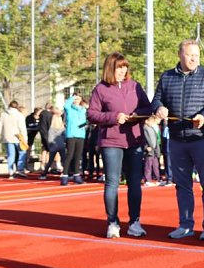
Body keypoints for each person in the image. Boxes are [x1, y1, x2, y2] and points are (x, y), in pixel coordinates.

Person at [152, 39, 204, 240]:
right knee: (182, 185)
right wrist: (158, 107)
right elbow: (156, 99)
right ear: (180, 55)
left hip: (202, 139)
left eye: (196, 55)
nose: (193, 58)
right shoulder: (167, 77)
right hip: (176, 140)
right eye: (190, 54)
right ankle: (185, 225)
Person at [87, 52, 153, 238]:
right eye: (119, 67)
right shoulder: (100, 89)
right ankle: (113, 223)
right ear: (111, 68)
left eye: (125, 67)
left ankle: (135, 222)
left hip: (134, 140)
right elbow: (92, 114)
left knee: (135, 183)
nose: (123, 70)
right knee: (112, 183)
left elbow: (147, 108)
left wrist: (136, 115)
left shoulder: (135, 86)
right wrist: (114, 117)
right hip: (111, 141)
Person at [0, 100, 28, 179]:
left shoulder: (3, 115)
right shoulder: (19, 115)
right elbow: (22, 128)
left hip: (7, 137)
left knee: (11, 155)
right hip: (18, 137)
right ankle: (20, 169)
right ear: (17, 107)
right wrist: (25, 138)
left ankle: (10, 171)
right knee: (22, 152)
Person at [60, 92, 87, 186]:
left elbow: (85, 120)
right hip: (71, 134)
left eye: (78, 99)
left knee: (78, 156)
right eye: (75, 99)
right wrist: (73, 97)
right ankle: (65, 176)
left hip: (81, 135)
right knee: (70, 155)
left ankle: (76, 176)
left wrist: (84, 125)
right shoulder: (69, 108)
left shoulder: (83, 110)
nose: (76, 101)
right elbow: (66, 104)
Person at [142, 115, 162, 186]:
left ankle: (158, 179)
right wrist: (146, 147)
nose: (152, 123)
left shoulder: (152, 128)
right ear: (147, 121)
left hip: (154, 150)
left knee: (155, 165)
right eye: (151, 121)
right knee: (148, 165)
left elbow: (156, 139)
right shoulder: (144, 128)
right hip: (149, 150)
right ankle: (147, 180)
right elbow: (144, 139)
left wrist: (157, 149)